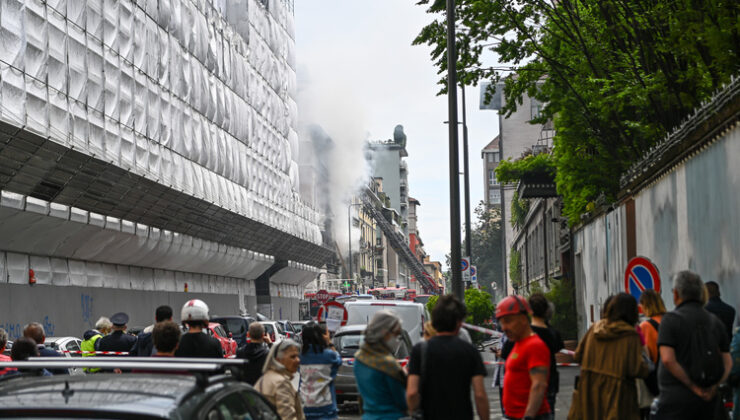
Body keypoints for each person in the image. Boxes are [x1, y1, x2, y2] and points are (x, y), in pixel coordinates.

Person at [652, 271, 732, 419]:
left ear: (676, 294)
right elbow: (727, 362)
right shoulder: (715, 322)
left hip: (675, 403)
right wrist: (712, 387)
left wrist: (693, 386)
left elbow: (668, 359)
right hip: (709, 406)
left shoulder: (670, 320)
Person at [568, 293, 649, 420]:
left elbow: (578, 355)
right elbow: (635, 369)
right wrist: (648, 368)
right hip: (618, 396)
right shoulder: (630, 335)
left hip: (588, 393)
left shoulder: (595, 328)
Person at [407, 295, 489, 420]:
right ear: (458, 323)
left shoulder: (420, 350)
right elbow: (480, 395)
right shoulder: (470, 351)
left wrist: (413, 412)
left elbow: (412, 392)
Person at [496, 295, 551, 420]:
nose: (504, 327)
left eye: (508, 321)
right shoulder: (518, 344)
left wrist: (528, 416)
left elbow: (539, 385)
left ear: (523, 319)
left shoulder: (534, 345)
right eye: (502, 322)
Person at [354, 310, 408, 420]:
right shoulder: (389, 364)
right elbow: (403, 401)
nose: (397, 339)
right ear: (385, 333)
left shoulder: (359, 358)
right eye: (396, 334)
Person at [529, 293, 565, 418]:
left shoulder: (526, 332)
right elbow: (558, 346)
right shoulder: (552, 333)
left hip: (528, 380)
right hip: (550, 378)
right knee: (549, 412)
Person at [299, 322, 342, 420]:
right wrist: (329, 343)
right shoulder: (329, 355)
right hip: (326, 408)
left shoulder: (300, 357)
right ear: (320, 336)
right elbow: (338, 361)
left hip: (305, 406)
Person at [255, 339, 304, 420]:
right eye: (293, 357)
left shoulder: (267, 377)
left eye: (297, 356)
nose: (298, 360)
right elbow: (288, 416)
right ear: (278, 360)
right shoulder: (281, 383)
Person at [638, 289, 666, 364]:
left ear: (646, 305)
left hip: (656, 371)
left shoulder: (645, 326)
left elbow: (647, 355)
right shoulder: (670, 321)